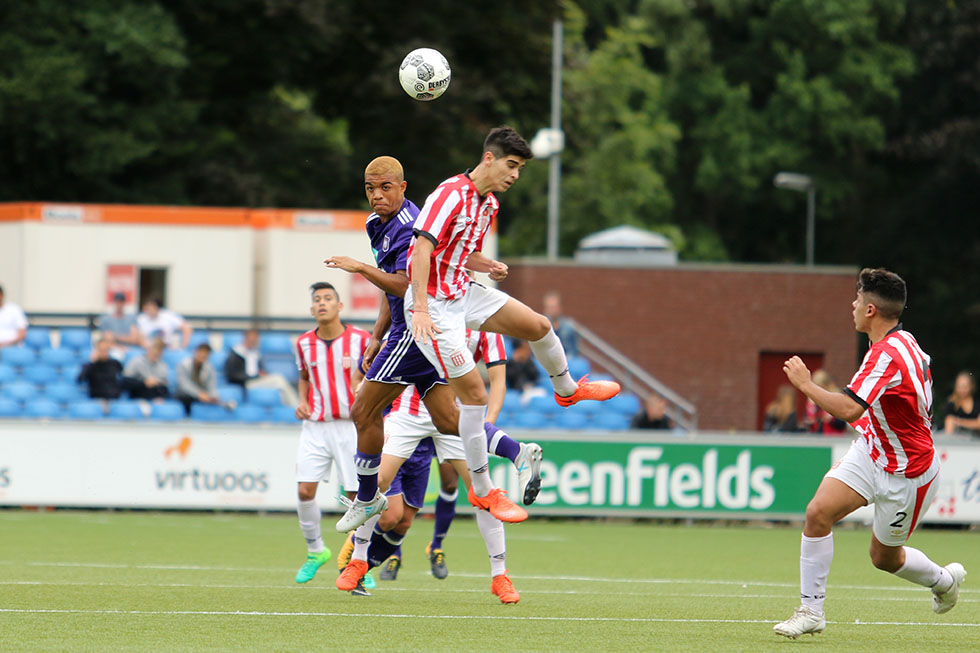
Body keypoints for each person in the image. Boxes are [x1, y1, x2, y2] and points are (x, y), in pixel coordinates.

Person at [401, 126, 619, 530]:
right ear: (489, 158)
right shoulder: (449, 194)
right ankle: (482, 487)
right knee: (475, 393)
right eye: (512, 165)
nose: (515, 175)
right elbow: (422, 248)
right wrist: (418, 309)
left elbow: (460, 253)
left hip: (462, 292)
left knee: (538, 324)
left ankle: (567, 390)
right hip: (432, 305)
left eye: (519, 168)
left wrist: (488, 265)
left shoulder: (489, 205)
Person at [326, 154, 546, 533]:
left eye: (385, 188)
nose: (376, 196)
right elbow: (390, 287)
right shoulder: (375, 224)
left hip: (417, 327)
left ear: (403, 188)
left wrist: (360, 268)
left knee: (363, 411)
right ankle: (517, 451)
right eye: (369, 189)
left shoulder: (409, 225)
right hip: (415, 327)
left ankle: (367, 498)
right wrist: (377, 334)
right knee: (447, 419)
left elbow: (407, 283)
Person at [773, 268, 966, 639]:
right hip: (873, 450)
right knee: (817, 513)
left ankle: (943, 580)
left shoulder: (886, 356)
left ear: (872, 310)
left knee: (884, 559)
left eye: (858, 300)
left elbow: (849, 410)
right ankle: (811, 611)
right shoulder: (903, 341)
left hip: (908, 474)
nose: (853, 305)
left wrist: (805, 385)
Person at [337, 376, 527, 604]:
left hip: (450, 417)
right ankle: (357, 560)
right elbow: (368, 370)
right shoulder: (393, 343)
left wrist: (484, 423)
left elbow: (496, 378)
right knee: (384, 501)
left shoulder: (476, 340)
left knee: (481, 492)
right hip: (407, 416)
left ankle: (500, 576)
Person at [292, 282, 373, 591]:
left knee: (359, 498)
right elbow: (303, 378)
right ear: (312, 309)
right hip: (315, 426)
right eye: (317, 300)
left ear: (340, 306)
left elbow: (373, 374)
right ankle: (316, 551)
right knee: (304, 491)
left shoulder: (361, 339)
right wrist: (302, 401)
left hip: (351, 426)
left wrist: (362, 388)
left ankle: (360, 561)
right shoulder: (303, 344)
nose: (322, 303)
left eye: (328, 298)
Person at [223, 328, 300, 407]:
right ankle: (296, 405)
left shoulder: (256, 354)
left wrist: (261, 374)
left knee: (279, 384)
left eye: (256, 338)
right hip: (245, 383)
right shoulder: (236, 353)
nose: (255, 341)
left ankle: (291, 406)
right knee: (278, 379)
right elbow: (232, 374)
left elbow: (260, 369)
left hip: (257, 381)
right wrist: (254, 376)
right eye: (252, 338)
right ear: (246, 338)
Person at [175, 343, 233, 415]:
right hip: (184, 396)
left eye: (205, 354)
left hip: (201, 397)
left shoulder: (209, 368)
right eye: (201, 353)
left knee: (212, 401)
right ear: (196, 352)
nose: (203, 356)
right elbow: (184, 385)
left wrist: (214, 396)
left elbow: (211, 385)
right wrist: (198, 394)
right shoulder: (183, 365)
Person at [803, 370, 846, 435]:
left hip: (834, 437)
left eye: (820, 387)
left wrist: (831, 419)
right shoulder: (812, 401)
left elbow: (843, 423)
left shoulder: (836, 399)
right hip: (817, 438)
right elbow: (808, 419)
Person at [943, 371, 980, 436]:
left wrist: (958, 422)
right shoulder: (951, 405)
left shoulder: (977, 403)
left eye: (964, 387)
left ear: (971, 386)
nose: (962, 390)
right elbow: (949, 424)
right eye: (959, 387)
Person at [542, 290, 578, 356]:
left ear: (559, 307)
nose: (552, 310)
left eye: (554, 307)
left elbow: (574, 351)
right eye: (549, 307)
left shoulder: (569, 327)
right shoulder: (541, 328)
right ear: (545, 309)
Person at [0, 284, 27, 348]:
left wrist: (5, 344)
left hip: (12, 347)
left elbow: (22, 333)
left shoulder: (14, 309)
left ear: (1, 295)